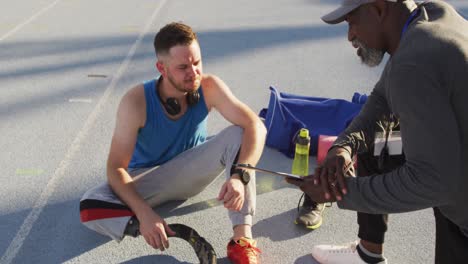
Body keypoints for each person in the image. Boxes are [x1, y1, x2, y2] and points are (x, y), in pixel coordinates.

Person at [286, 0, 468, 263]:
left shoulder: (413, 63)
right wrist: (344, 146)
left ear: (379, 9)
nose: (350, 36)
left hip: (458, 205)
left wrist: (342, 192)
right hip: (458, 168)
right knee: (375, 145)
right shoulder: (433, 16)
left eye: (352, 22)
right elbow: (382, 99)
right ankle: (368, 254)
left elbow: (433, 182)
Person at [79, 22, 266, 264]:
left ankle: (242, 241)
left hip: (191, 171)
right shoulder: (136, 102)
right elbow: (116, 168)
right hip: (147, 181)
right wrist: (144, 214)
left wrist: (240, 177)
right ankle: (154, 227)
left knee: (238, 135)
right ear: (162, 68)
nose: (194, 72)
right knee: (89, 203)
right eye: (183, 67)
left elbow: (256, 125)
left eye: (197, 63)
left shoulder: (209, 87)